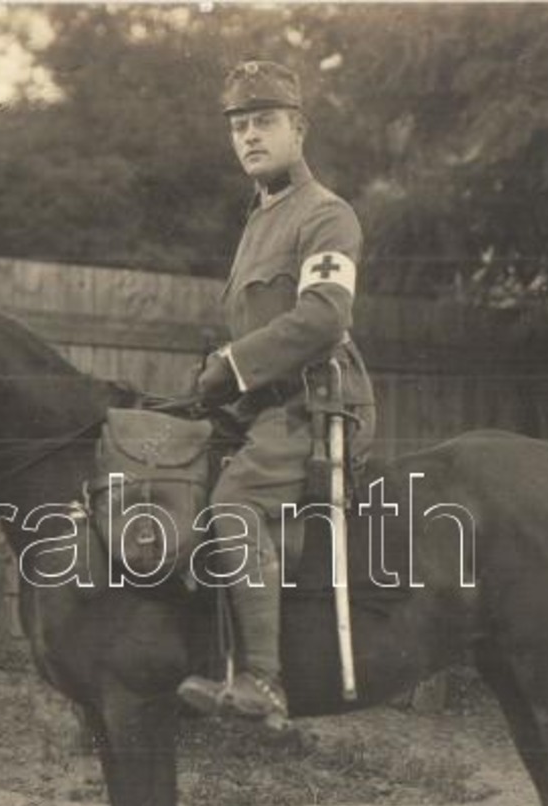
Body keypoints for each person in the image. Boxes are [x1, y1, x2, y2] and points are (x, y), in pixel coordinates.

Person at [177, 59, 376, 731]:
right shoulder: (258, 221)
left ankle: (262, 680)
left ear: (298, 128)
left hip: (319, 403)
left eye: (264, 122)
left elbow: (322, 317)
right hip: (263, 406)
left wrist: (232, 364)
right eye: (238, 126)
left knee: (234, 504)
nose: (249, 137)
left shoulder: (325, 215)